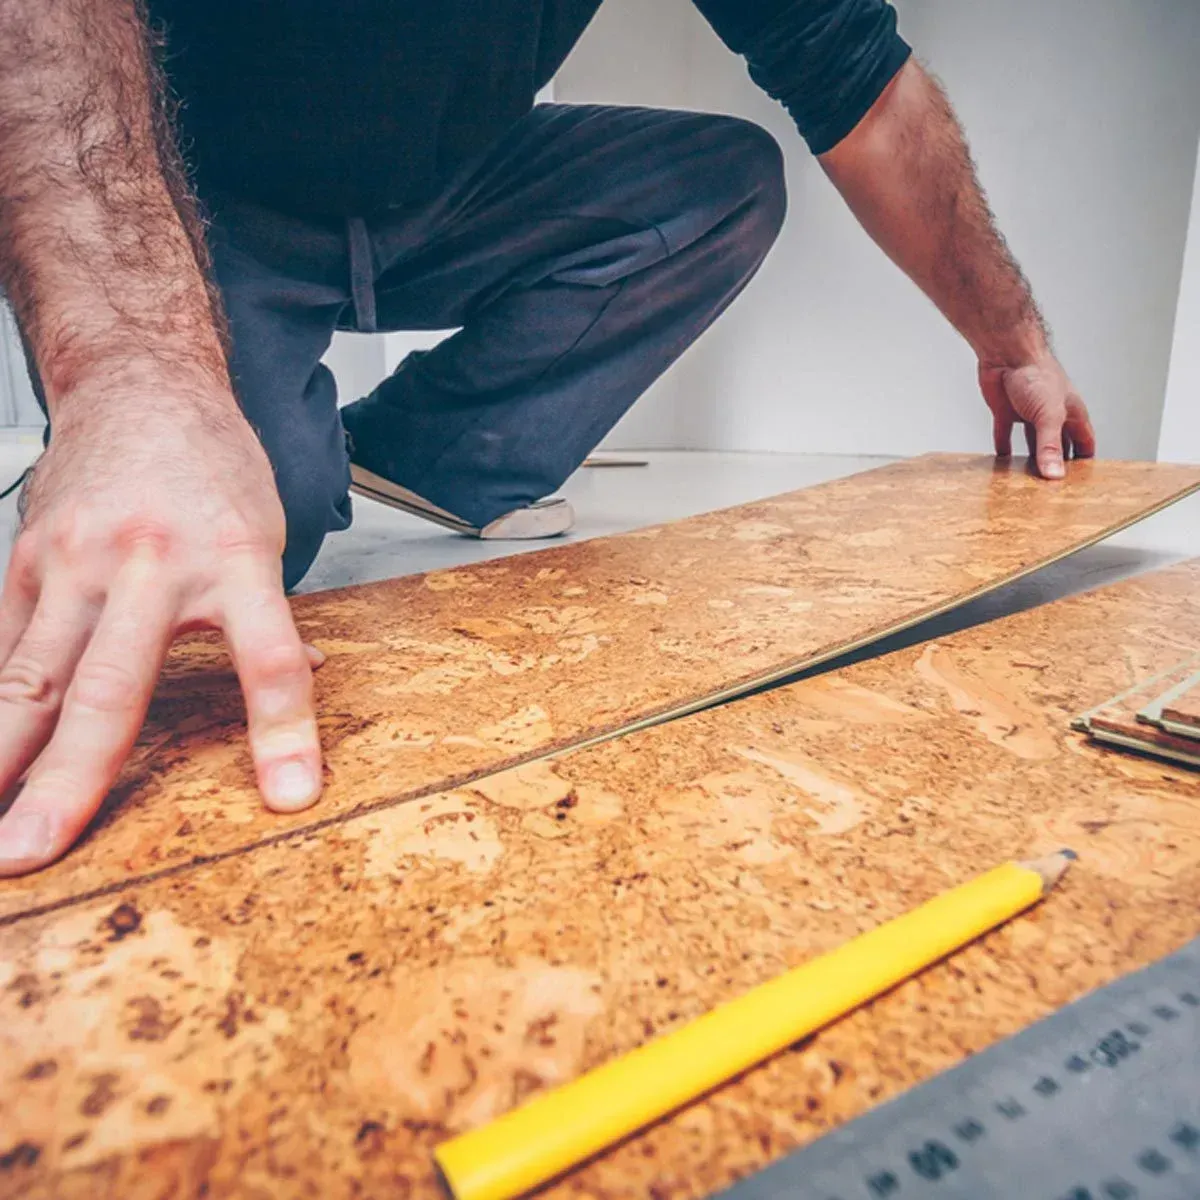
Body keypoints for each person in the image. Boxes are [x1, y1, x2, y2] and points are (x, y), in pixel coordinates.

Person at [0, 0, 1095, 876]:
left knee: (722, 185)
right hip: (203, 197)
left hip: (447, 191)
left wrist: (1013, 341)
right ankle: (126, 471)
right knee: (252, 539)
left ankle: (426, 454)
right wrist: (127, 381)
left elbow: (865, 86)